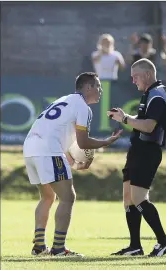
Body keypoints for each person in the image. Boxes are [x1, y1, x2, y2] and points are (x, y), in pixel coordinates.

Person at [23, 72, 122, 257]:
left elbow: (62, 135)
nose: (100, 91)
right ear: (88, 87)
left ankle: (39, 247)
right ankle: (58, 248)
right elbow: (83, 143)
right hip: (48, 151)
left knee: (47, 197)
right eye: (98, 86)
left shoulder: (64, 100)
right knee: (68, 197)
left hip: (30, 148)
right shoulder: (83, 107)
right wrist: (106, 142)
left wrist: (74, 159)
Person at [108, 58, 166, 256]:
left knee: (138, 197)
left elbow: (149, 126)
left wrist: (125, 119)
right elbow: (143, 121)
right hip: (137, 149)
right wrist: (124, 116)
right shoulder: (148, 93)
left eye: (135, 77)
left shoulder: (157, 93)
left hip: (148, 151)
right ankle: (135, 246)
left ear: (146, 75)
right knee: (128, 198)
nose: (133, 81)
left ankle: (164, 242)